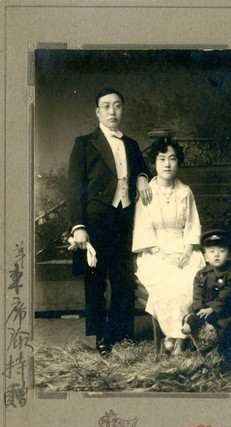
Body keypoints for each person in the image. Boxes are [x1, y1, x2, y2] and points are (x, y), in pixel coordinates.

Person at [67, 88, 152, 354]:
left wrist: (141, 176)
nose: (112, 111)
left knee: (124, 279)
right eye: (106, 106)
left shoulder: (132, 144)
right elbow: (73, 188)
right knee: (96, 281)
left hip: (126, 220)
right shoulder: (84, 143)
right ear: (97, 112)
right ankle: (102, 337)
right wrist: (78, 226)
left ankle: (122, 334)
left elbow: (143, 169)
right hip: (96, 222)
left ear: (122, 110)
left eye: (117, 106)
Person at [132, 137, 205, 355]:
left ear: (178, 162)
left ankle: (175, 340)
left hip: (184, 249)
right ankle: (178, 340)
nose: (167, 164)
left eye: (172, 159)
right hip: (153, 252)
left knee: (189, 281)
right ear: (154, 163)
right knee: (169, 286)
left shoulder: (185, 192)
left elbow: (192, 225)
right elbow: (143, 229)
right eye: (161, 159)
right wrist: (164, 255)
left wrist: (186, 252)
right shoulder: (147, 192)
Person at [181, 229, 231, 370]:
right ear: (205, 256)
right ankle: (202, 350)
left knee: (227, 331)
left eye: (222, 251)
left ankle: (225, 356)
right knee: (192, 322)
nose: (216, 254)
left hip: (225, 311)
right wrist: (199, 310)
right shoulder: (202, 274)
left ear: (229, 255)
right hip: (205, 310)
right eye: (211, 251)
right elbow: (197, 293)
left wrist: (212, 308)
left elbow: (226, 294)